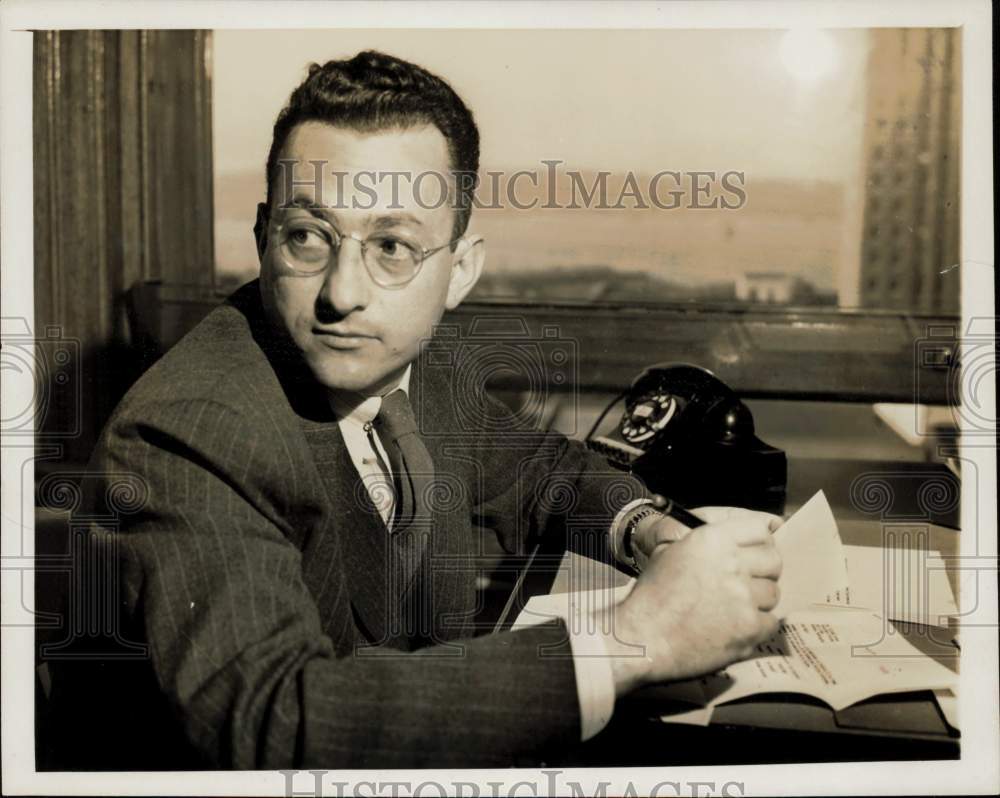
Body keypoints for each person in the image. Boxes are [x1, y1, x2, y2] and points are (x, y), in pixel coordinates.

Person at [49, 50, 781, 770]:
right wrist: (635, 636)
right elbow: (279, 722)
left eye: (392, 246)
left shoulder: (408, 359)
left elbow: (539, 469)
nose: (341, 292)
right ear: (264, 238)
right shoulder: (185, 434)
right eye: (307, 237)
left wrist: (648, 532)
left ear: (458, 272)